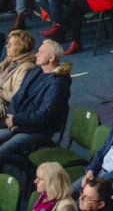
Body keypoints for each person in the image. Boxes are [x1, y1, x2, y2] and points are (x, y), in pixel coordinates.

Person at [0, 39, 72, 174]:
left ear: (51, 58)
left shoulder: (58, 84)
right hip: (21, 123)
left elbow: (43, 116)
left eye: (41, 52)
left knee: (2, 152)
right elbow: (17, 98)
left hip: (38, 130)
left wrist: (15, 120)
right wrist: (12, 119)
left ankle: (35, 173)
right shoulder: (36, 71)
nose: (36, 54)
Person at [0, 30, 34, 117]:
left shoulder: (26, 68)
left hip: (8, 109)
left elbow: (16, 97)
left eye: (10, 44)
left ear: (20, 47)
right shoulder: (8, 62)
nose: (6, 46)